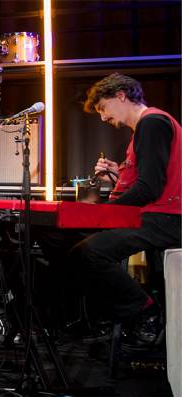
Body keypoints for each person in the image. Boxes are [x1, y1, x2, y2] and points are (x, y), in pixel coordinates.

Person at [40, 73, 181, 350]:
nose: (103, 118)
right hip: (155, 213)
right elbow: (150, 180)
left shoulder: (151, 123)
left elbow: (150, 189)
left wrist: (103, 214)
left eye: (103, 109)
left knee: (87, 253)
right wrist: (119, 176)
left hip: (168, 218)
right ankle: (100, 314)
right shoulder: (147, 127)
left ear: (121, 95)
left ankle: (148, 313)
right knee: (56, 238)